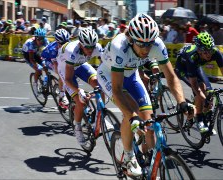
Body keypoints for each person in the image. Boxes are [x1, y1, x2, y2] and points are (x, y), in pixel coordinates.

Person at [97, 13, 194, 177]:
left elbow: (170, 77)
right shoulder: (119, 46)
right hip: (109, 75)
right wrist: (132, 116)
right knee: (131, 114)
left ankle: (150, 166)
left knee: (149, 125)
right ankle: (128, 156)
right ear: (131, 39)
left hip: (132, 75)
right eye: (141, 45)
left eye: (149, 44)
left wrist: (182, 102)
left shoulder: (156, 43)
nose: (146, 49)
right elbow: (117, 89)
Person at [57, 28, 103, 146]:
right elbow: (67, 79)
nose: (90, 50)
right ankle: (77, 128)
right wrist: (79, 90)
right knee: (81, 102)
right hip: (65, 68)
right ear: (80, 44)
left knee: (99, 85)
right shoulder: (71, 51)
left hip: (81, 64)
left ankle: (99, 116)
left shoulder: (96, 47)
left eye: (92, 47)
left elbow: (105, 65)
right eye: (87, 47)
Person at [175, 32, 223, 133]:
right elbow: (194, 85)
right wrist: (203, 98)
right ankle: (199, 118)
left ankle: (206, 116)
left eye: (210, 50)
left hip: (196, 66)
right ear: (199, 50)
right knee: (201, 89)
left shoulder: (215, 52)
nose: (209, 54)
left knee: (209, 92)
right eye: (205, 52)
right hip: (182, 67)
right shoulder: (192, 57)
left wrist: (207, 99)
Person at [41, 29, 70, 107]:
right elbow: (56, 66)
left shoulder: (68, 45)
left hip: (57, 58)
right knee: (61, 74)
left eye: (66, 42)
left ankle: (57, 84)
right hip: (47, 59)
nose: (64, 45)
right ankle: (61, 94)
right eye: (62, 43)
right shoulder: (53, 49)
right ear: (57, 42)